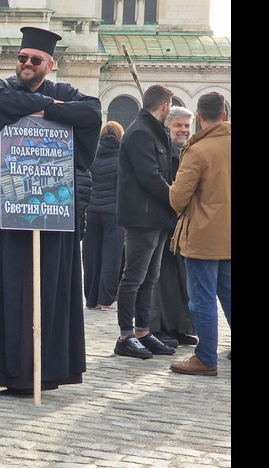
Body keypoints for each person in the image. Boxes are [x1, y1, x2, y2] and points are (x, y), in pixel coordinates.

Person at [0, 26, 101, 394]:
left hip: (51, 203)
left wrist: (49, 105)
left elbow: (92, 112)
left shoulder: (66, 93)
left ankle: (38, 371)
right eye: (22, 58)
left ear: (49, 65)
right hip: (0, 202)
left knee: (44, 283)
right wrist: (54, 111)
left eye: (34, 59)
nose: (26, 63)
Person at [113, 84, 179, 360]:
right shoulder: (140, 132)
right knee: (134, 277)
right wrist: (175, 197)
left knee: (149, 278)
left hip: (156, 215)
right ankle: (125, 335)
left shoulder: (155, 130)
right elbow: (150, 175)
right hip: (142, 216)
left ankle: (142, 330)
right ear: (164, 107)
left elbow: (167, 165)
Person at [168, 92, 231, 376]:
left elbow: (178, 199)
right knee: (228, 295)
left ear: (200, 118)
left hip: (204, 237)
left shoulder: (199, 150)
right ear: (224, 116)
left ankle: (206, 358)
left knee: (202, 299)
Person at [148, 105, 197, 347]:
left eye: (187, 126)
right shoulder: (160, 150)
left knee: (180, 280)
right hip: (163, 220)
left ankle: (179, 327)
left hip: (182, 224)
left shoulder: (186, 151)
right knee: (160, 280)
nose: (184, 130)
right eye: (178, 125)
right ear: (167, 127)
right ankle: (159, 328)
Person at [82, 121, 126, 312]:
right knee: (112, 256)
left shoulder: (91, 154)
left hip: (91, 211)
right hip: (114, 213)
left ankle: (91, 299)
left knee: (90, 255)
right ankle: (107, 300)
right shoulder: (123, 156)